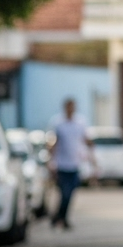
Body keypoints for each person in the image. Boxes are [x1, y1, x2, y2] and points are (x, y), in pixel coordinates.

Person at [49, 98, 94, 229]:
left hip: (75, 164)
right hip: (62, 164)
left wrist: (92, 156)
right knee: (65, 193)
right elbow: (53, 143)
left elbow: (85, 139)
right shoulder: (58, 123)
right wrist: (51, 161)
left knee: (70, 194)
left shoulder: (80, 122)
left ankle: (59, 217)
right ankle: (61, 218)